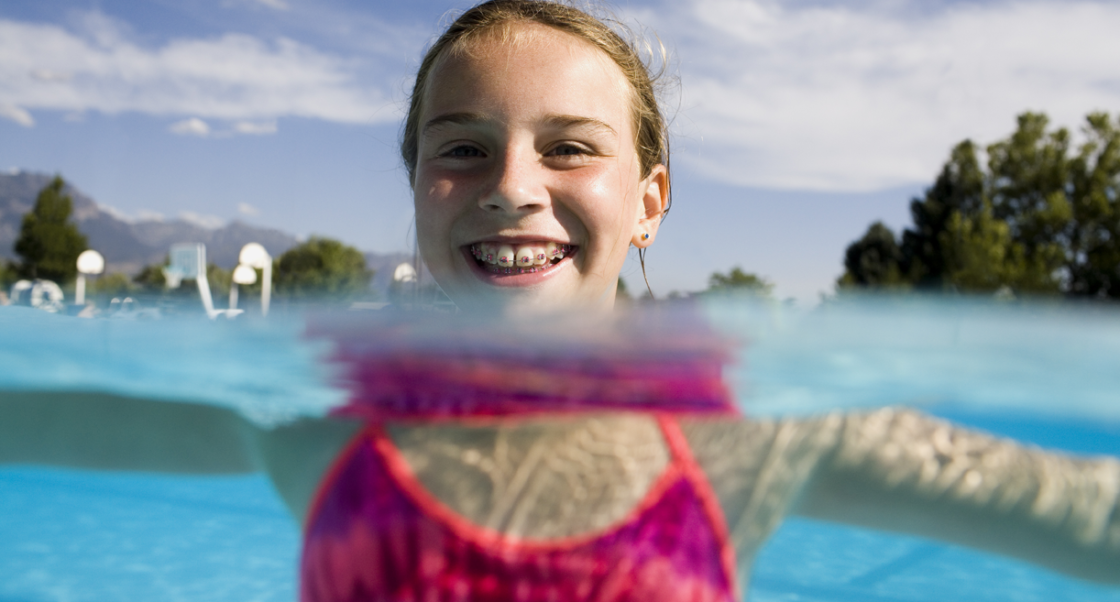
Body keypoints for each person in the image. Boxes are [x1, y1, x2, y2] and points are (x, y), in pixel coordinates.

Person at [1, 1, 1118, 600]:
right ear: (418, 190)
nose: (511, 189)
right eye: (464, 149)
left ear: (649, 200)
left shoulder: (748, 430)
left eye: (570, 147)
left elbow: (1088, 509)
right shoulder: (330, 418)